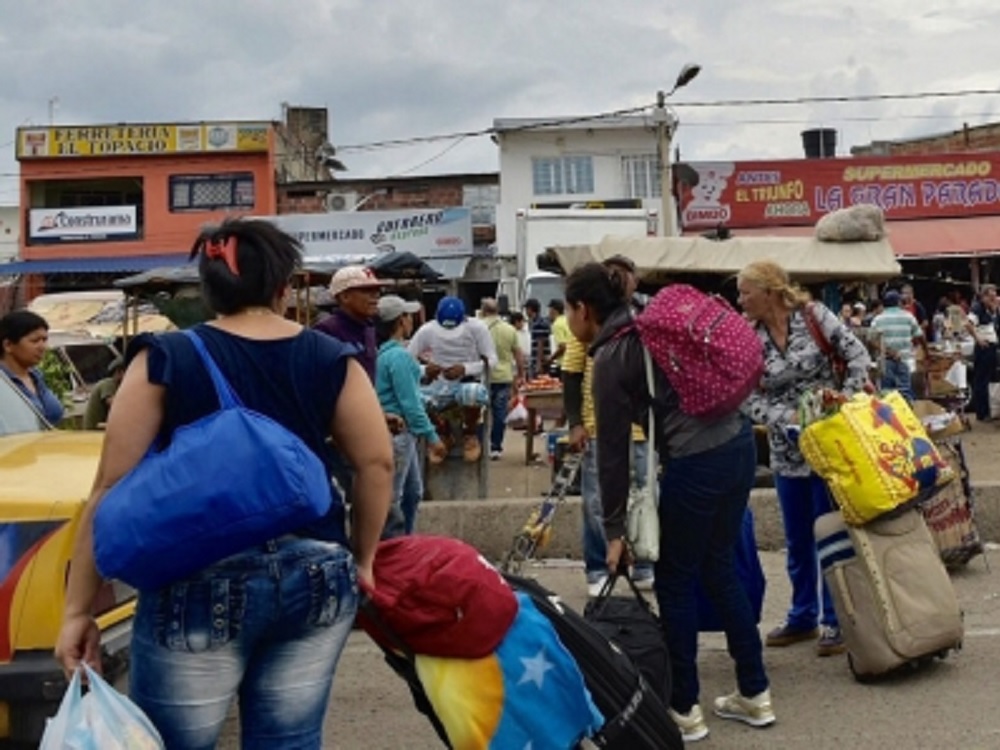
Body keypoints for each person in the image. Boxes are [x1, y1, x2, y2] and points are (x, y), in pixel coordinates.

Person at [55, 219, 393, 749]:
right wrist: (365, 559)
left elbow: (108, 487)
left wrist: (78, 611)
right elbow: (376, 464)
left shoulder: (166, 357)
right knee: (290, 740)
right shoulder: (330, 357)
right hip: (318, 574)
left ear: (207, 290)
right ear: (284, 288)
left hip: (195, 579)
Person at [566, 263, 774, 742]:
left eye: (568, 307)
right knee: (719, 568)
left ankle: (684, 707)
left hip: (697, 462)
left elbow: (613, 454)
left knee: (675, 581)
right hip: (740, 444)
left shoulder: (614, 356)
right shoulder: (651, 316)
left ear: (584, 309)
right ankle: (755, 693)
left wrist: (614, 531)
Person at [737, 260, 871, 660]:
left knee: (829, 534)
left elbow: (859, 357)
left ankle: (836, 619)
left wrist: (841, 403)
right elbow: (745, 395)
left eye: (746, 292)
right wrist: (782, 419)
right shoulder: (749, 337)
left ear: (770, 291)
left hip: (830, 448)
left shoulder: (814, 316)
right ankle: (803, 614)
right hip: (786, 451)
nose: (740, 299)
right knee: (797, 539)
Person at [375, 295, 448, 537]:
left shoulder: (386, 354)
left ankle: (406, 540)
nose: (411, 320)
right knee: (392, 498)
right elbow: (410, 403)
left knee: (413, 492)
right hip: (398, 433)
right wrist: (432, 437)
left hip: (400, 433)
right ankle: (394, 549)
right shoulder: (399, 356)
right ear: (400, 321)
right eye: (407, 316)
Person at [408, 296, 498, 462]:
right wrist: (425, 370)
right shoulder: (427, 330)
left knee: (473, 393)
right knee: (416, 398)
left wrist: (465, 368)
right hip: (438, 386)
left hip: (466, 384)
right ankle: (442, 433)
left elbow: (492, 361)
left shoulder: (477, 328)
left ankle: (469, 433)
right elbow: (407, 360)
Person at [314, 265, 385, 383]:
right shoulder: (326, 331)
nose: (376, 295)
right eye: (366, 290)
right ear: (345, 297)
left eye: (377, 290)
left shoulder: (369, 328)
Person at [0, 309, 64, 424]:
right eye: (34, 341)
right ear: (8, 345)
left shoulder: (36, 377)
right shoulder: (3, 382)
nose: (42, 347)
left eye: (44, 340)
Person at [481, 297, 525, 459]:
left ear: (483, 310)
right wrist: (521, 374)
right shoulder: (509, 329)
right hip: (503, 378)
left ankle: (480, 445)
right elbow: (518, 354)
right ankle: (495, 447)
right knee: (500, 413)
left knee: (480, 414)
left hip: (482, 377)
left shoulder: (478, 328)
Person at [871, 290, 923, 402]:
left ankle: (890, 419)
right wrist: (918, 347)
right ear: (898, 302)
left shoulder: (878, 319)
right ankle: (907, 416)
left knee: (887, 394)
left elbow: (871, 339)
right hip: (904, 359)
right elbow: (919, 335)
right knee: (905, 391)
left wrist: (886, 350)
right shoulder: (909, 317)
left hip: (885, 361)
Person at [966, 284, 1000, 423]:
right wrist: (978, 339)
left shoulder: (992, 310)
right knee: (982, 380)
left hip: (993, 348)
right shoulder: (977, 308)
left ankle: (991, 410)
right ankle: (982, 412)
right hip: (984, 348)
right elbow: (968, 324)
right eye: (991, 296)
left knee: (992, 379)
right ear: (984, 296)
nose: (993, 298)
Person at [82, 355, 124, 429]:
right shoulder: (108, 384)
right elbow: (115, 406)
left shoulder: (116, 387)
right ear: (119, 372)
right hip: (94, 431)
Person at [523, 298, 550, 380]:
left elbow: (540, 342)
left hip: (539, 361)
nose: (526, 312)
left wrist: (539, 364)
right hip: (540, 360)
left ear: (530, 309)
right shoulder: (538, 321)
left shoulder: (539, 323)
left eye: (526, 309)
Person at [545, 299, 571, 374]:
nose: (549, 312)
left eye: (549, 309)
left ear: (554, 310)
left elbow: (563, 346)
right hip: (572, 362)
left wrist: (551, 358)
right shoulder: (567, 320)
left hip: (564, 363)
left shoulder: (557, 324)